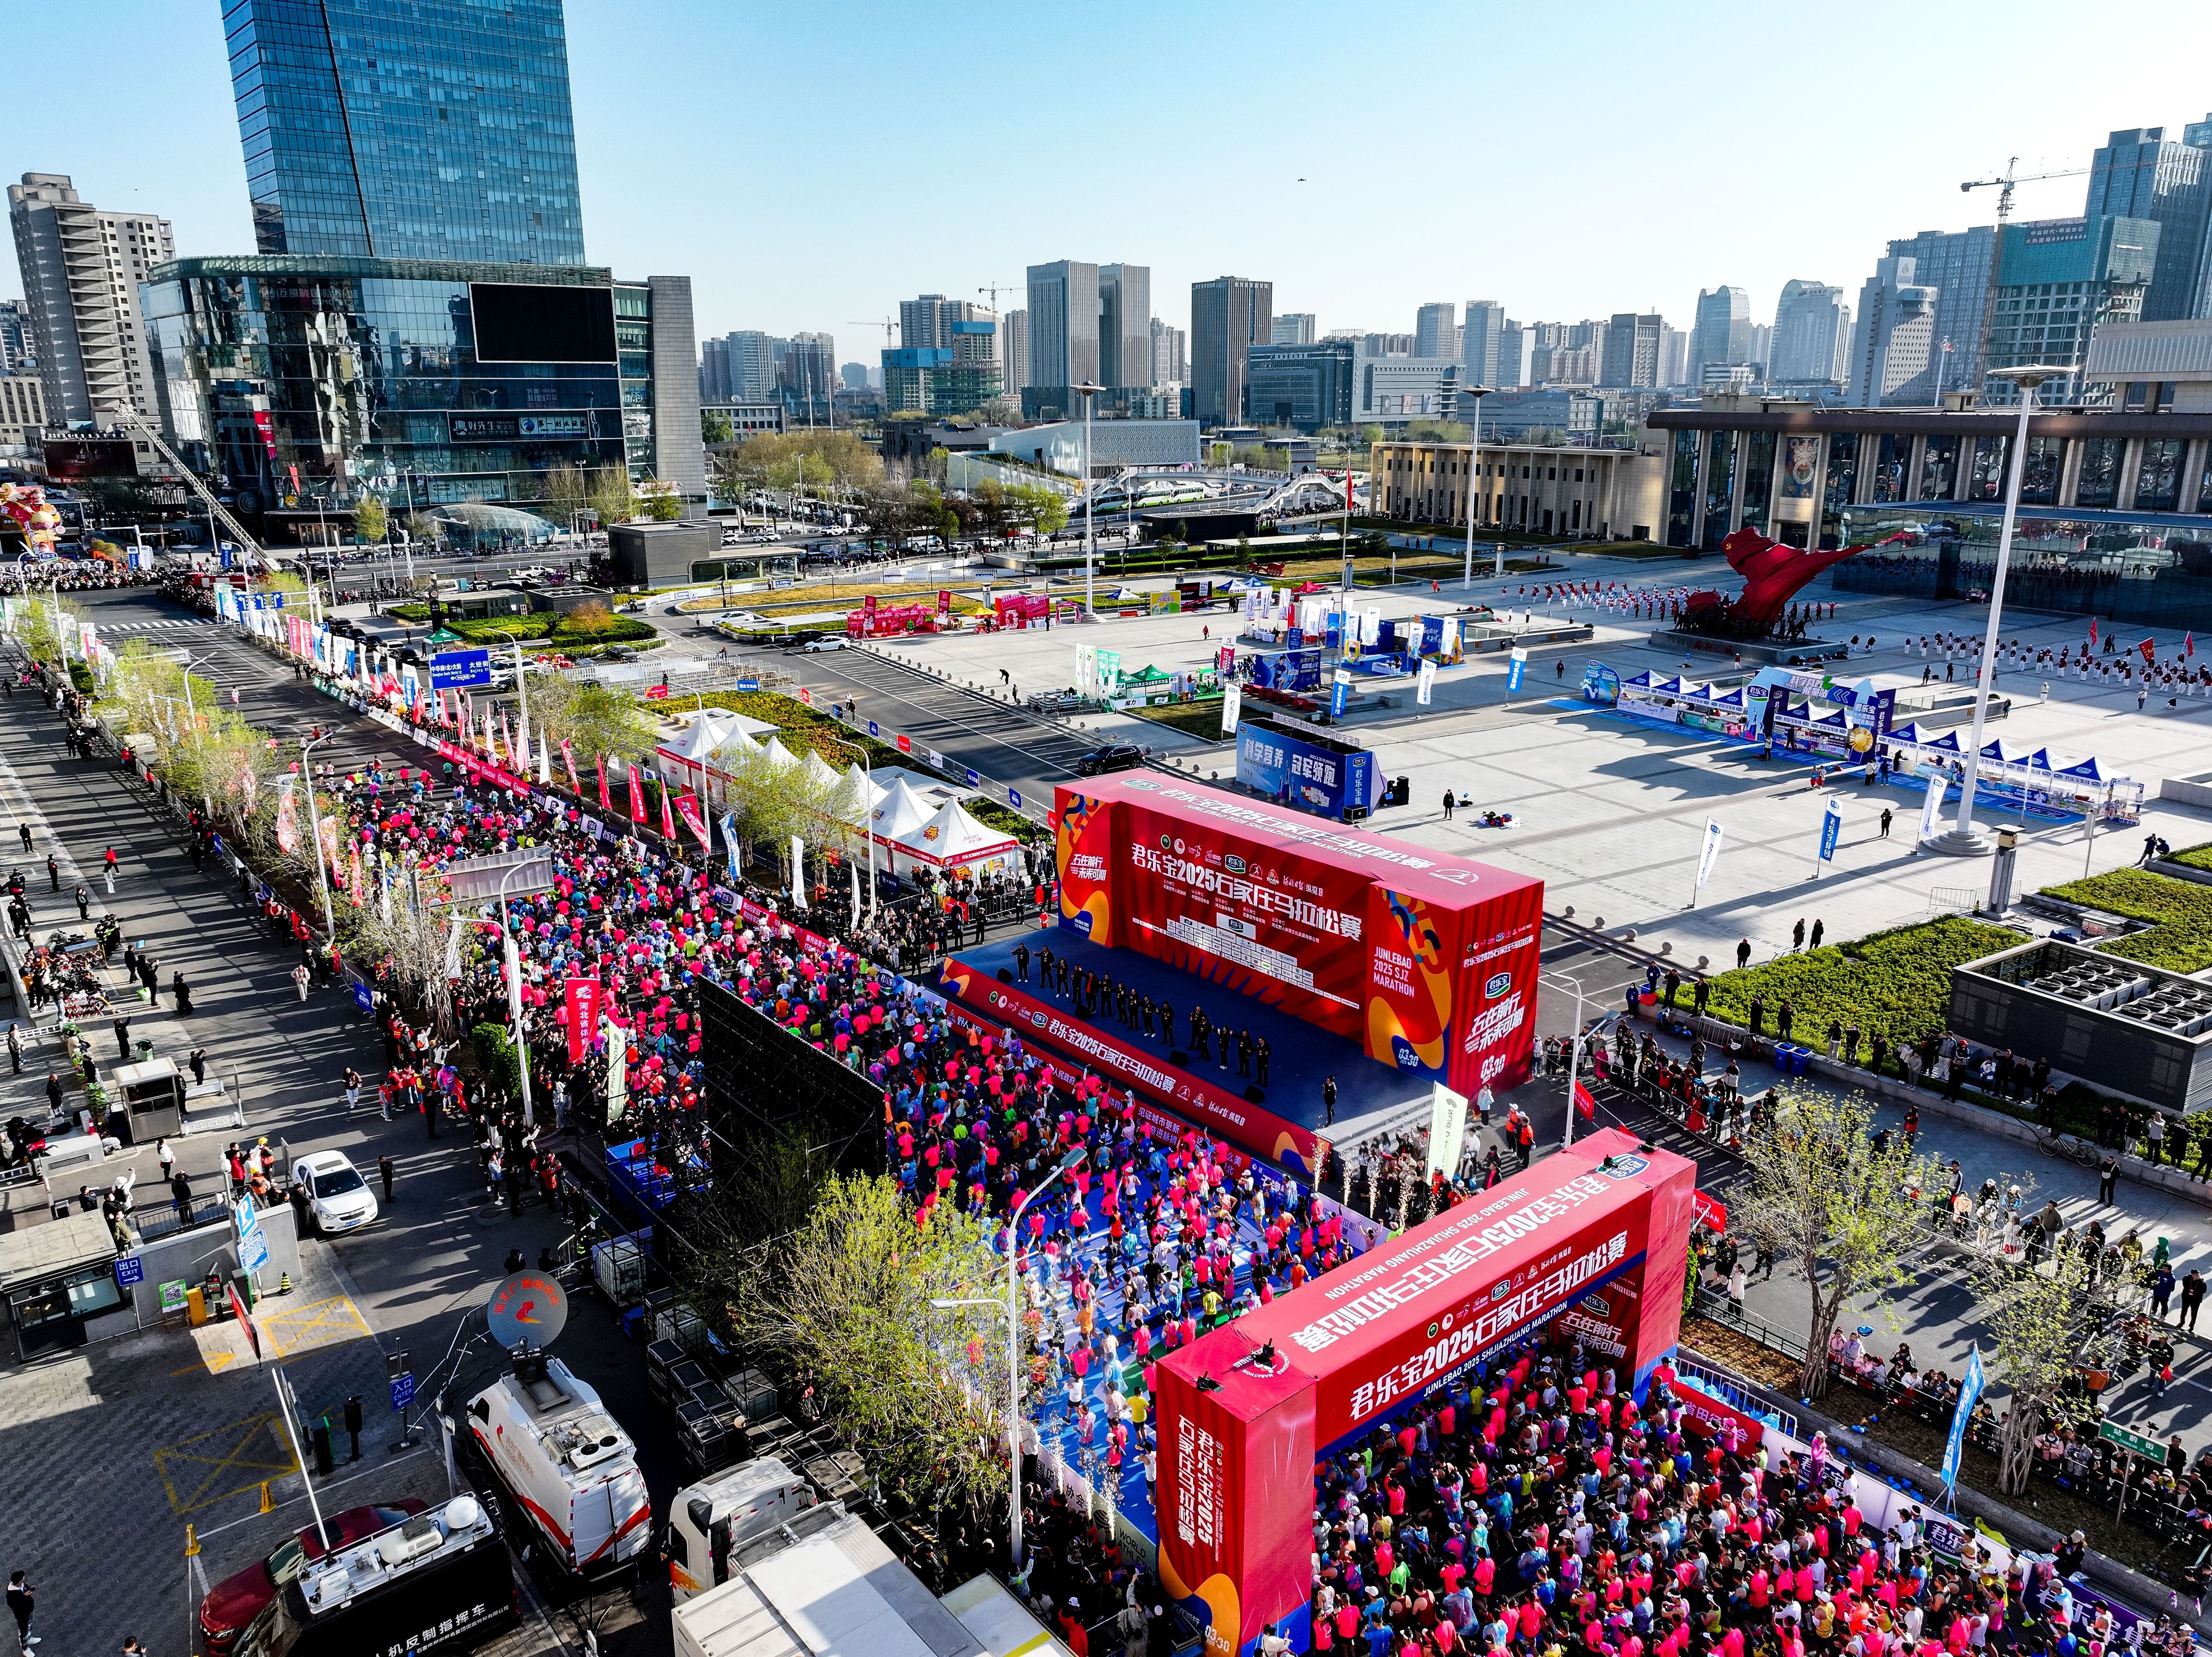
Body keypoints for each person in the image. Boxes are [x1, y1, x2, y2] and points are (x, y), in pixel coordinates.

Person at [7, 1570, 35, 1650]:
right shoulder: (11, 1595)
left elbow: (25, 1588)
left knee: (29, 1625)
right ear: (19, 1581)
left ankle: (29, 1638)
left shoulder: (21, 1585)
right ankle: (25, 1648)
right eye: (23, 1578)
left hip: (28, 1611)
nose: (24, 1578)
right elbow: (14, 1605)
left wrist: (30, 1589)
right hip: (22, 1616)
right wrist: (24, 1596)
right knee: (24, 1632)